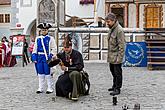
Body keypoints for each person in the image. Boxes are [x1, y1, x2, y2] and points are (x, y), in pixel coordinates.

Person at [55, 34, 85, 101]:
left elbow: (80, 67)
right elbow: (51, 63)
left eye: (67, 47)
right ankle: (67, 94)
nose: (66, 49)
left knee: (74, 74)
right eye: (65, 47)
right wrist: (53, 59)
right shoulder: (62, 54)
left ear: (71, 47)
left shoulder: (77, 54)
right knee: (59, 82)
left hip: (76, 72)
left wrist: (67, 68)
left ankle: (75, 94)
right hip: (67, 73)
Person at [31, 23, 57, 94]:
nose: (44, 31)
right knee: (40, 73)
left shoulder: (51, 39)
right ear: (41, 31)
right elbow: (35, 48)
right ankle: (40, 87)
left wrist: (51, 55)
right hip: (39, 58)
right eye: (43, 30)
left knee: (48, 72)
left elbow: (54, 48)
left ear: (47, 30)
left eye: (45, 30)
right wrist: (34, 56)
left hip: (47, 58)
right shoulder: (38, 38)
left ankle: (49, 87)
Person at [105, 13, 126, 95]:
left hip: (117, 57)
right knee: (113, 72)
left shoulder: (119, 30)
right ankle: (114, 86)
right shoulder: (111, 28)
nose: (107, 23)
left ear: (114, 21)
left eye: (109, 22)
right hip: (111, 56)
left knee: (118, 73)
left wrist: (119, 59)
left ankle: (118, 88)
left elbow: (122, 46)